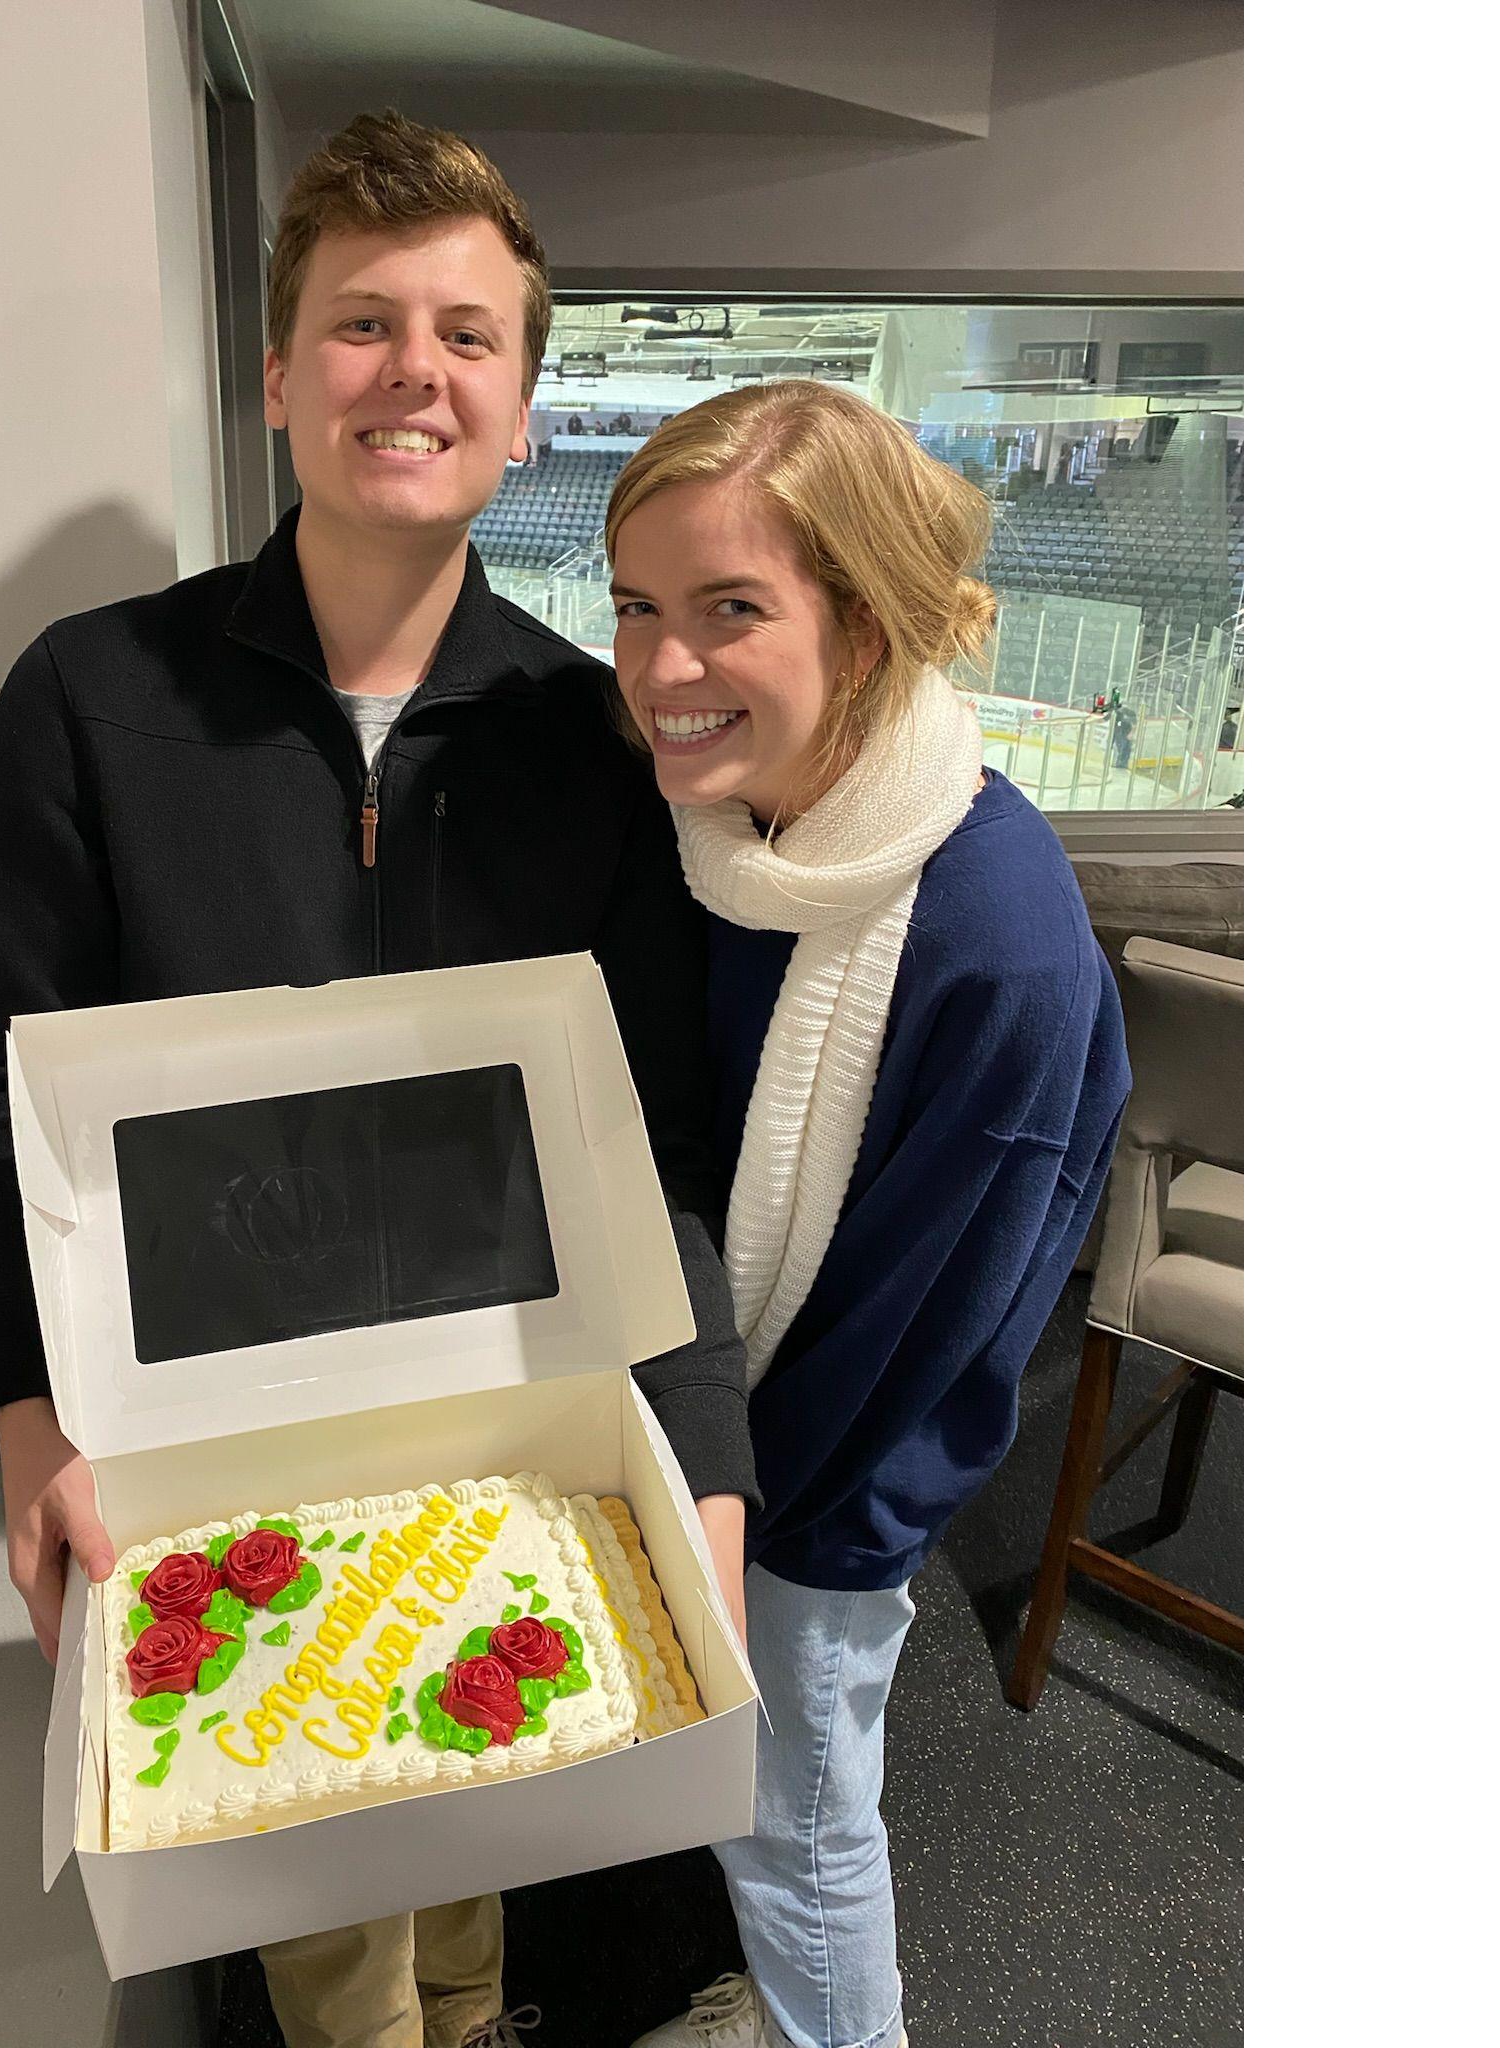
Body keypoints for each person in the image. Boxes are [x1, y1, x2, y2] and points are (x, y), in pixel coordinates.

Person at [0, 111, 757, 2048]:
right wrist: (21, 1413)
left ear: (524, 400)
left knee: (472, 1919)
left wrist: (704, 1455)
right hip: (203, 1428)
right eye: (366, 323)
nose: (416, 371)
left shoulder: (590, 732)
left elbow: (650, 1144)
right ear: (281, 376)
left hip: (493, 1421)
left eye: (468, 334)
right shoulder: (88, 697)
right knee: (310, 1948)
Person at [603, 383, 1130, 2048]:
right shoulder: (734, 840)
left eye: (730, 612)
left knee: (800, 1825)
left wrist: (734, 1516)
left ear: (874, 620)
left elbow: (923, 1333)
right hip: (725, 1439)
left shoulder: (984, 934)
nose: (662, 669)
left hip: (820, 1494)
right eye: (635, 608)